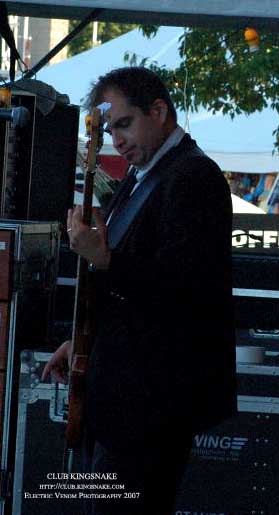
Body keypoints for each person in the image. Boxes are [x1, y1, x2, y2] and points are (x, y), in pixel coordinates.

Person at [42, 67, 236, 515]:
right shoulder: (144, 174)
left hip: (152, 401)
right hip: (122, 394)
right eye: (110, 130)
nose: (117, 140)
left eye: (124, 124)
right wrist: (85, 339)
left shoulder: (193, 176)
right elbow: (128, 289)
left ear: (159, 111)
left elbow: (182, 287)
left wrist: (104, 258)